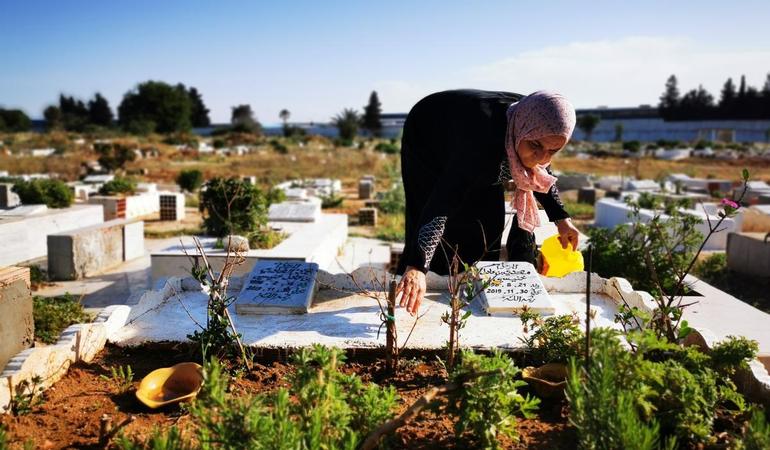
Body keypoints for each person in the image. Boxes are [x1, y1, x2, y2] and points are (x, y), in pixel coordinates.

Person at [395, 89, 580, 315]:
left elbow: (540, 174)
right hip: (429, 134)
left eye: (553, 150)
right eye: (535, 146)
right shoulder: (479, 144)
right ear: (521, 130)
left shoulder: (535, 118)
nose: (542, 158)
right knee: (438, 210)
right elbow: (440, 205)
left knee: (488, 221)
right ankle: (425, 281)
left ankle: (477, 288)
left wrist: (562, 220)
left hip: (481, 141)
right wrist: (417, 266)